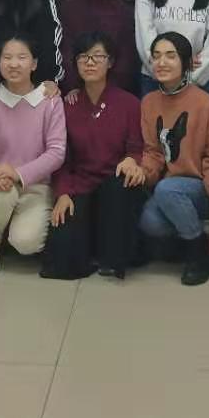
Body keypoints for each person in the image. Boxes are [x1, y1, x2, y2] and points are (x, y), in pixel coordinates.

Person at [42, 31, 146, 280]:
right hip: (80, 185)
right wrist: (63, 193)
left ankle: (112, 257)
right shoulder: (67, 105)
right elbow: (61, 157)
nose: (90, 63)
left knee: (118, 189)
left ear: (110, 62)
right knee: (62, 261)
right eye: (83, 57)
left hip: (115, 185)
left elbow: (136, 148)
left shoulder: (129, 103)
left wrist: (132, 160)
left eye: (98, 56)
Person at [0, 34, 67, 274]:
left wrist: (17, 173)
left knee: (26, 243)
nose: (14, 64)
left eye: (22, 57)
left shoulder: (50, 101)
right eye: (7, 57)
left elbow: (56, 152)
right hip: (0, 183)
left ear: (34, 64)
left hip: (36, 186)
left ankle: (4, 227)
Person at [137, 33, 209, 286]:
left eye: (170, 56)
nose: (161, 62)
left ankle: (198, 254)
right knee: (149, 220)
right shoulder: (149, 102)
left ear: (186, 62)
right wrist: (144, 172)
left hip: (200, 187)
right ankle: (189, 238)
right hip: (168, 187)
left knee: (167, 190)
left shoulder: (205, 103)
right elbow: (153, 152)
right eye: (156, 56)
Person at [58, 0, 138, 94]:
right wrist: (74, 87)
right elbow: (66, 53)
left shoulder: (124, 11)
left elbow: (126, 57)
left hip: (115, 91)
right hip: (75, 92)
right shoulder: (68, 9)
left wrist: (109, 89)